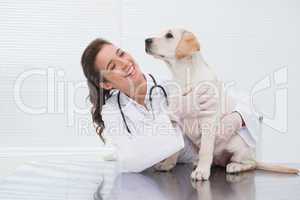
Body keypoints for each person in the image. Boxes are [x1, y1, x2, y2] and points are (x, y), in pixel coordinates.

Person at [80, 38, 260, 172]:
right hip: (160, 183)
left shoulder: (172, 85)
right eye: (113, 66)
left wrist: (238, 118)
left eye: (121, 53)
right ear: (106, 84)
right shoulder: (112, 110)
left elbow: (245, 101)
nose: (125, 63)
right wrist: (174, 113)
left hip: (204, 172)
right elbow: (130, 161)